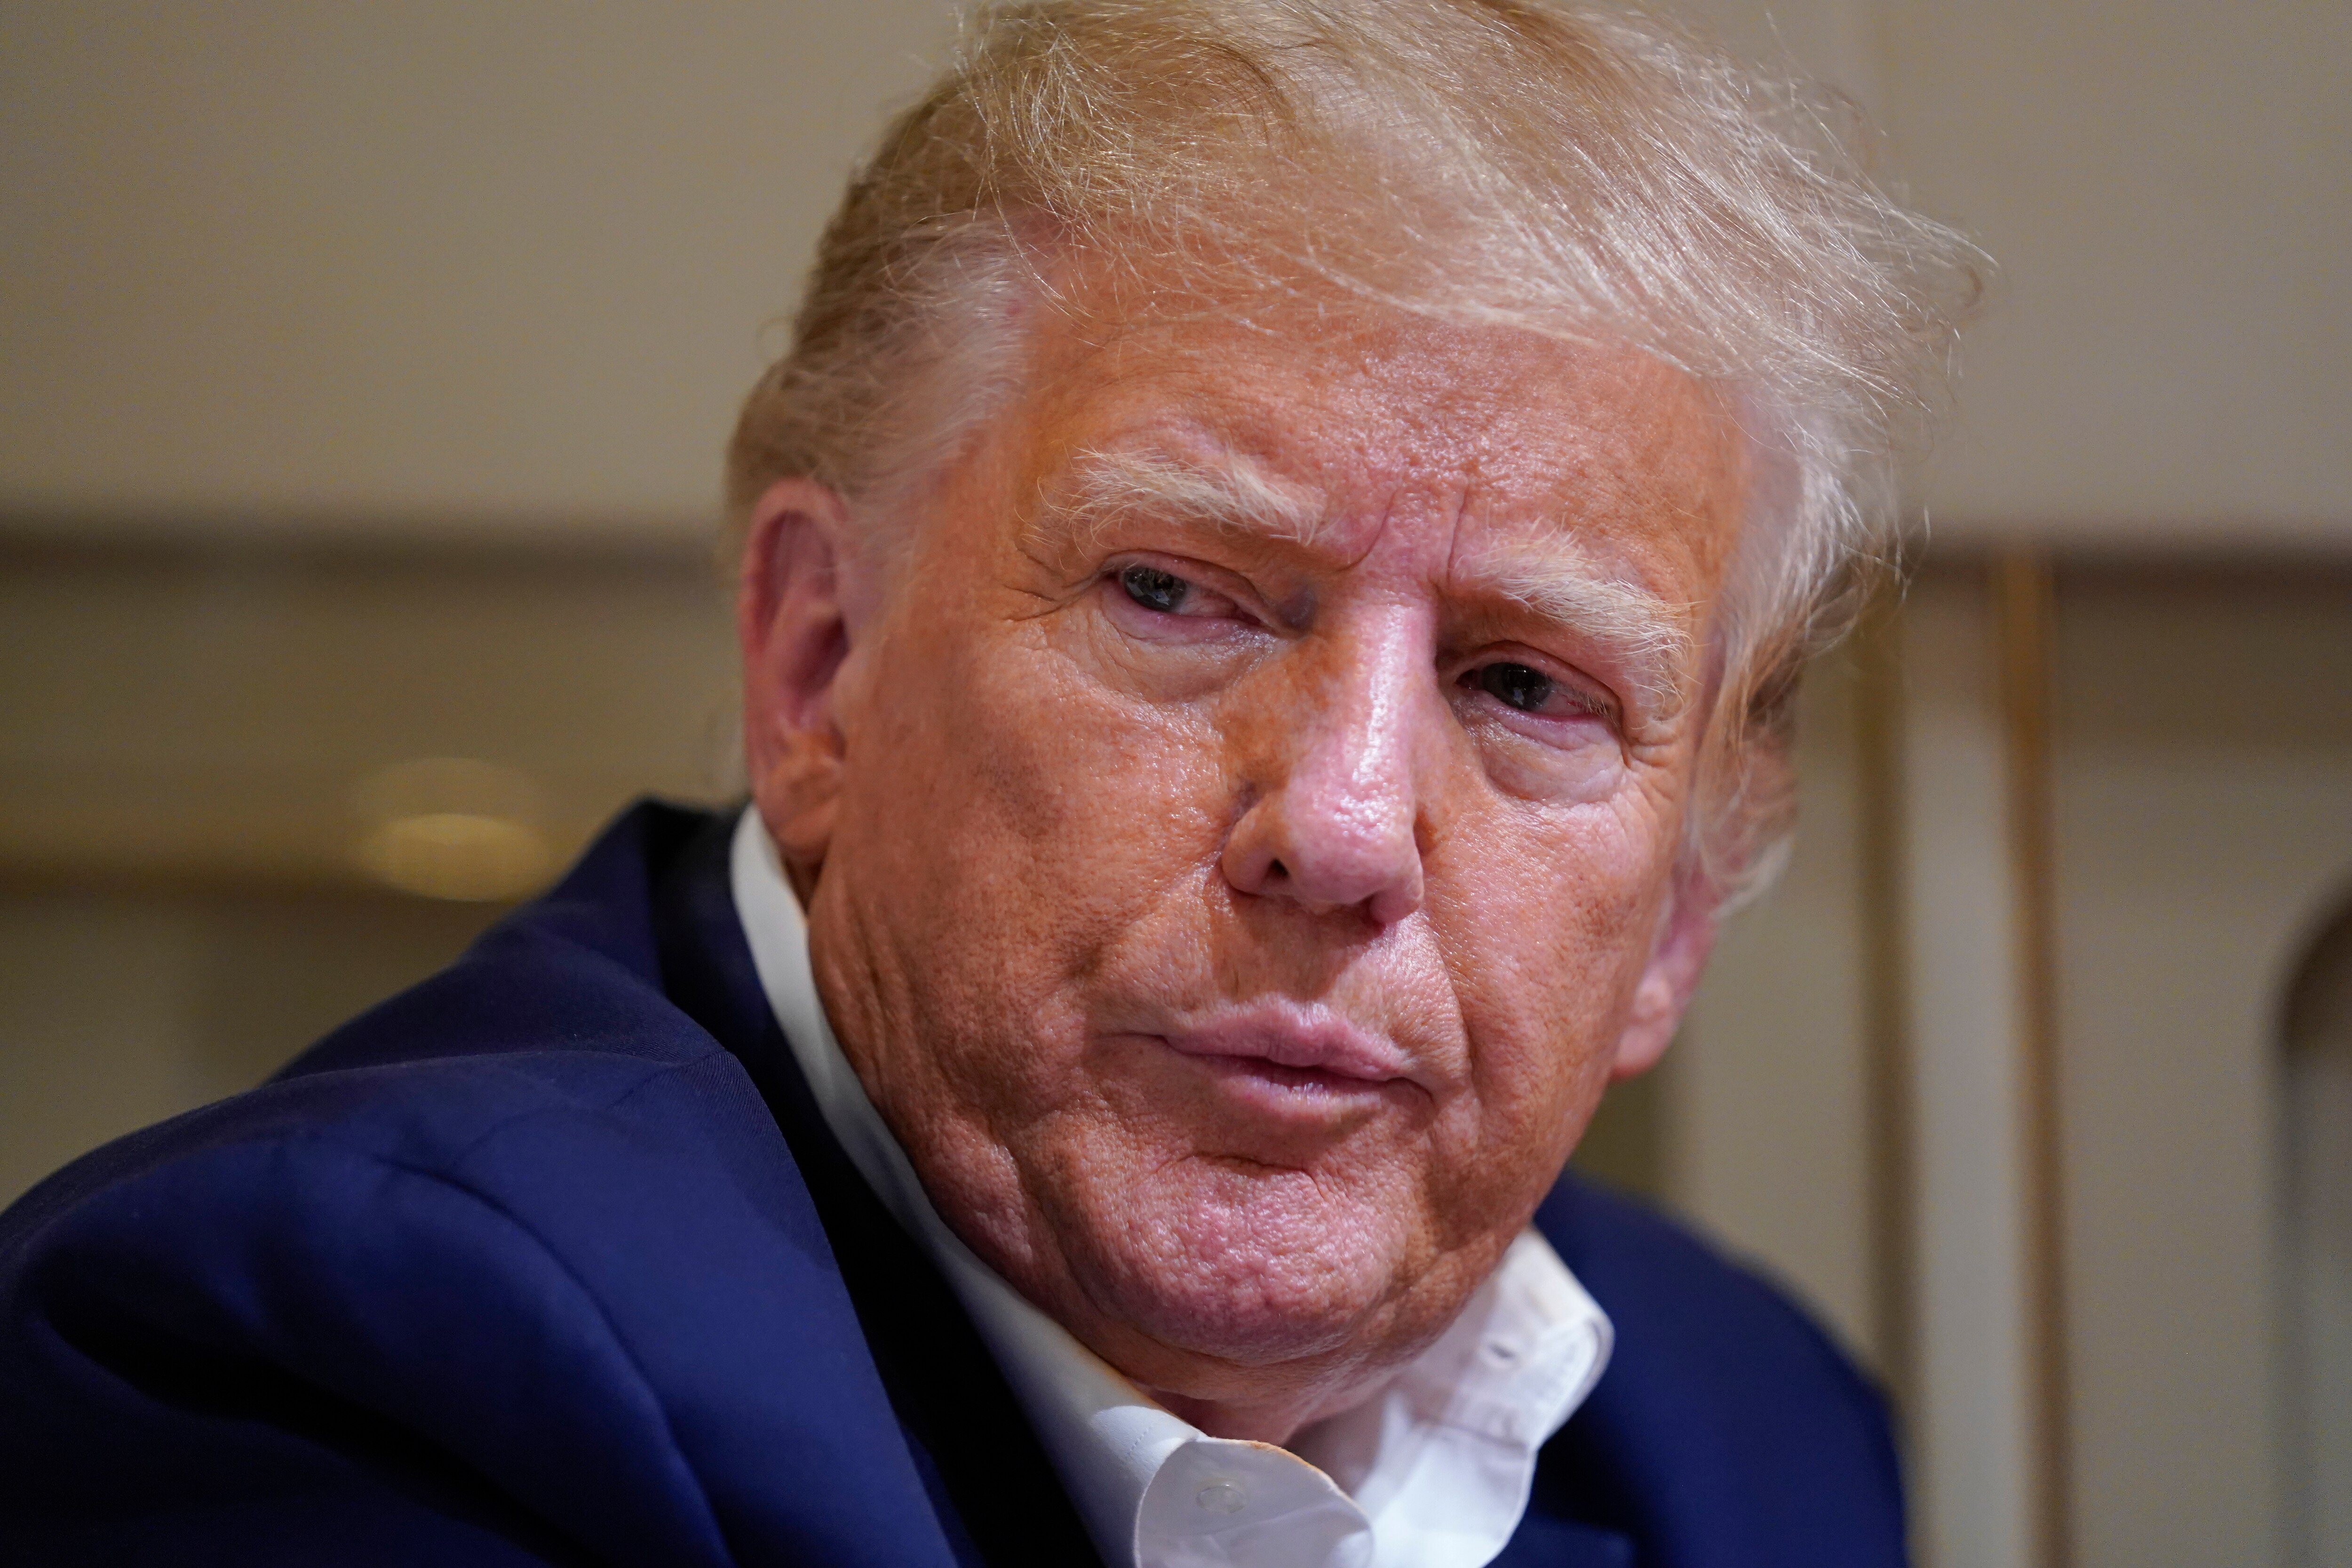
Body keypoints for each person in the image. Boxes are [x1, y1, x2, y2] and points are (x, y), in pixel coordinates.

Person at [0, 3, 1979, 1564]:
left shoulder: (1757, 1434)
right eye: (1175, 595)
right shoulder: (348, 1369)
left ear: (1687, 909)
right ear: (817, 668)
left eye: (1527, 683)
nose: (1349, 824)